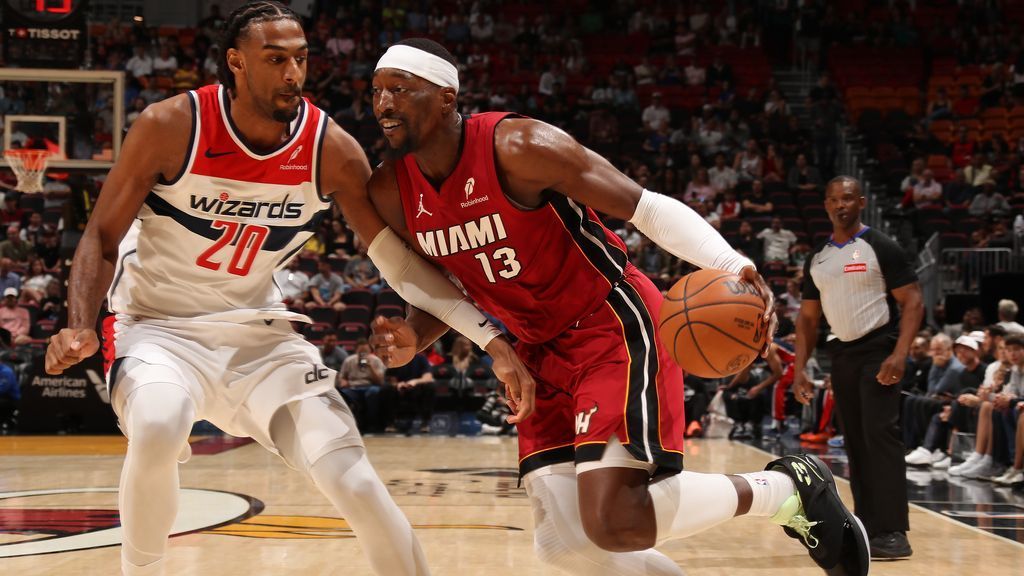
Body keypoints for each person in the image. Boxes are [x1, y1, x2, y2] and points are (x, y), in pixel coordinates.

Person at [43, 4, 536, 575]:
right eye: (275, 59)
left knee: (355, 482)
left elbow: (402, 266)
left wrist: (490, 341)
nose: (293, 74)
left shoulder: (331, 149)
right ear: (236, 63)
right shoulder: (171, 125)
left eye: (300, 59)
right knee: (157, 423)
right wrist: (80, 322)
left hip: (260, 338)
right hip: (158, 327)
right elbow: (101, 237)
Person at [368, 38, 869, 576]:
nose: (384, 104)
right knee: (565, 544)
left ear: (446, 97)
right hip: (533, 352)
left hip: (609, 325)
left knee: (614, 520)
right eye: (376, 92)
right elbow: (450, 277)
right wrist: (416, 336)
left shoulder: (517, 146)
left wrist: (731, 263)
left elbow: (643, 207)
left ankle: (787, 488)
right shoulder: (392, 190)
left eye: (400, 88)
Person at [793, 176, 924, 560]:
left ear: (861, 202)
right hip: (842, 355)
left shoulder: (880, 245)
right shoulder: (816, 256)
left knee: (880, 435)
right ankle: (868, 524)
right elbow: (807, 320)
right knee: (855, 440)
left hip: (878, 349)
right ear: (826, 205)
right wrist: (801, 368)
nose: (841, 205)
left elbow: (913, 302)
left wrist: (900, 354)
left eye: (847, 198)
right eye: (833, 199)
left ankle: (894, 531)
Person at [337, 339, 386, 432]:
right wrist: (343, 381)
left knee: (373, 392)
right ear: (356, 351)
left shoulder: (376, 361)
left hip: (370, 386)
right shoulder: (349, 360)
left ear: (370, 351)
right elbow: (341, 377)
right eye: (361, 352)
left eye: (365, 352)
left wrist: (370, 366)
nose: (363, 354)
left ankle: (372, 423)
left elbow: (380, 381)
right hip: (353, 387)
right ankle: (347, 424)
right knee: (343, 393)